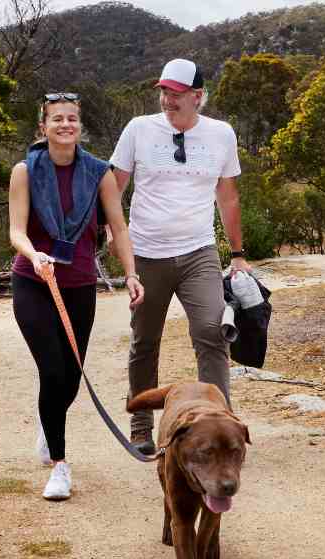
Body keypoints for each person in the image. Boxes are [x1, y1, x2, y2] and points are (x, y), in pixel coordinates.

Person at [109, 58, 254, 455]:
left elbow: (227, 197)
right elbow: (114, 186)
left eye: (175, 93)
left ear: (198, 96)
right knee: (145, 341)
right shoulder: (139, 129)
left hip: (198, 252)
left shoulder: (221, 134)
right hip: (146, 254)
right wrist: (111, 231)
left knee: (212, 333)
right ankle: (141, 423)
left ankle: (218, 422)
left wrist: (238, 254)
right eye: (163, 91)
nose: (166, 99)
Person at [9, 92, 145, 501]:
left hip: (80, 285)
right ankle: (60, 467)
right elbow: (16, 231)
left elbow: (119, 229)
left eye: (72, 119)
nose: (65, 125)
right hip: (34, 282)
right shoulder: (24, 171)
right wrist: (34, 255)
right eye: (56, 119)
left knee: (69, 379)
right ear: (43, 128)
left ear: (79, 127)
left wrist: (131, 275)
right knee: (52, 372)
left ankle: (47, 421)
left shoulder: (99, 173)